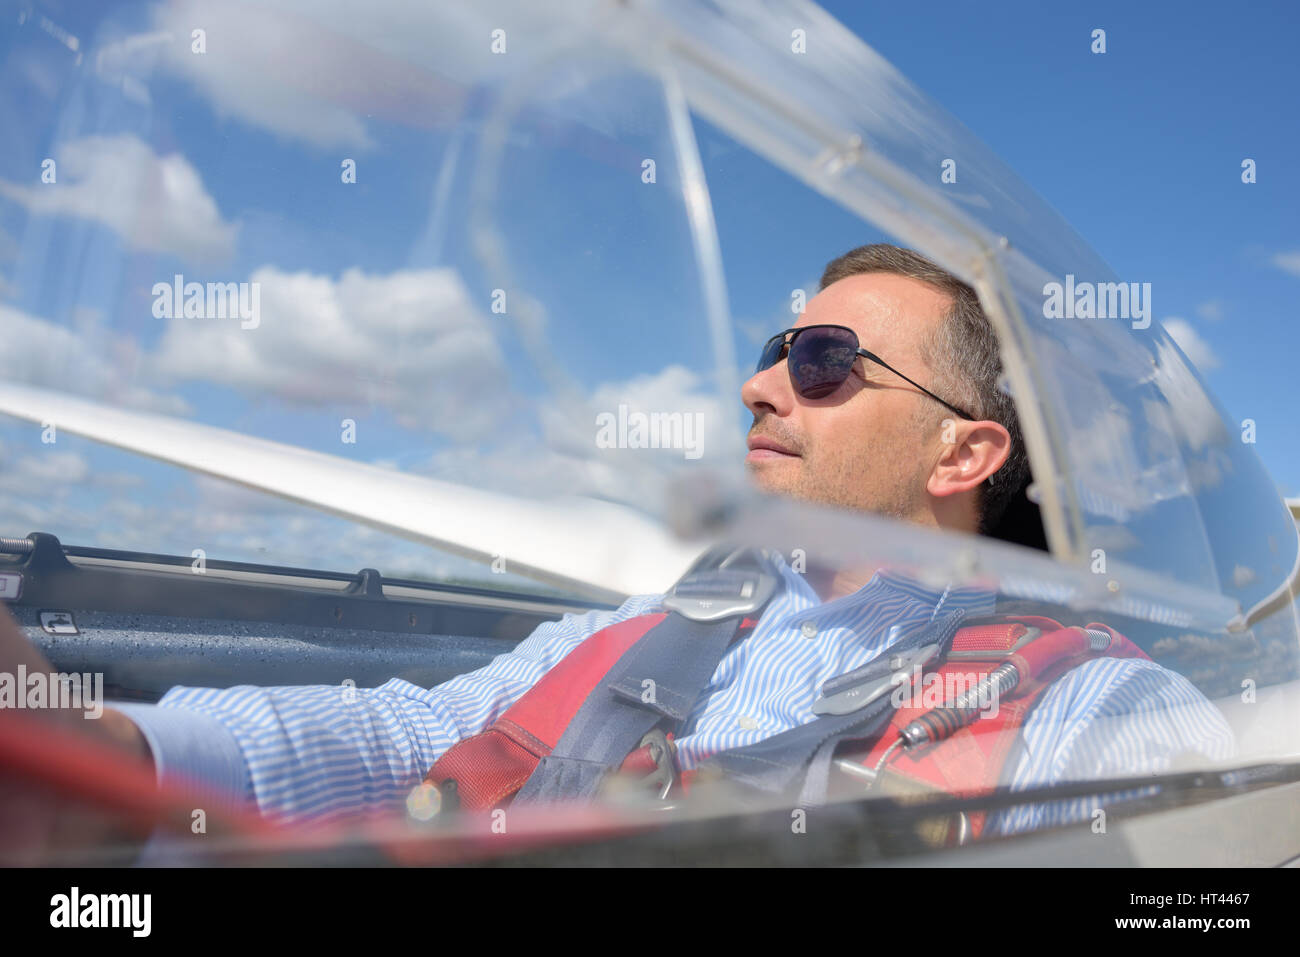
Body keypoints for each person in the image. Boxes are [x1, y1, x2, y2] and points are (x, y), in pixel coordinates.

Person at [0, 244, 1233, 854]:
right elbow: (409, 736)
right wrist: (103, 752)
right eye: (771, 349)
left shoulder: (1098, 710)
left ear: (960, 458)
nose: (759, 385)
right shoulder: (653, 625)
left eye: (821, 364)